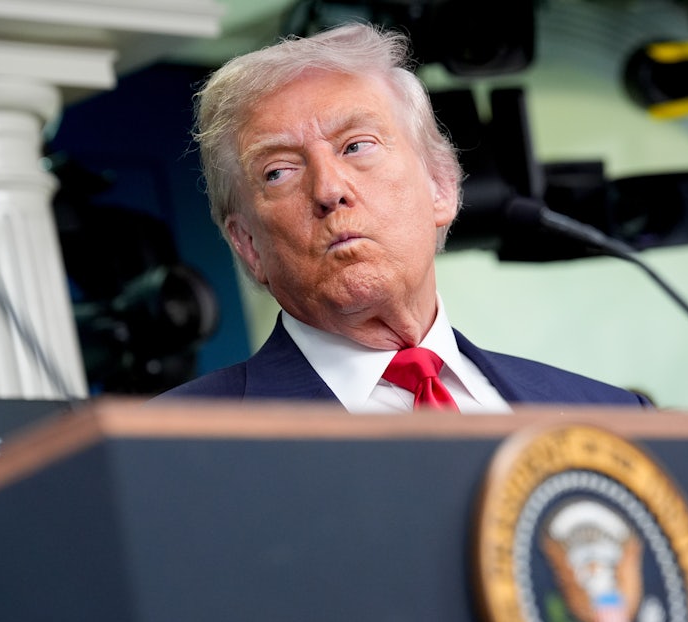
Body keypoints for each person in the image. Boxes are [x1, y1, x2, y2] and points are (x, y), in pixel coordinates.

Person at [158, 22, 650, 412]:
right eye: (279, 172)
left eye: (357, 145)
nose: (329, 190)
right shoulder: (171, 449)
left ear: (440, 186)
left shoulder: (610, 415)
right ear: (246, 244)